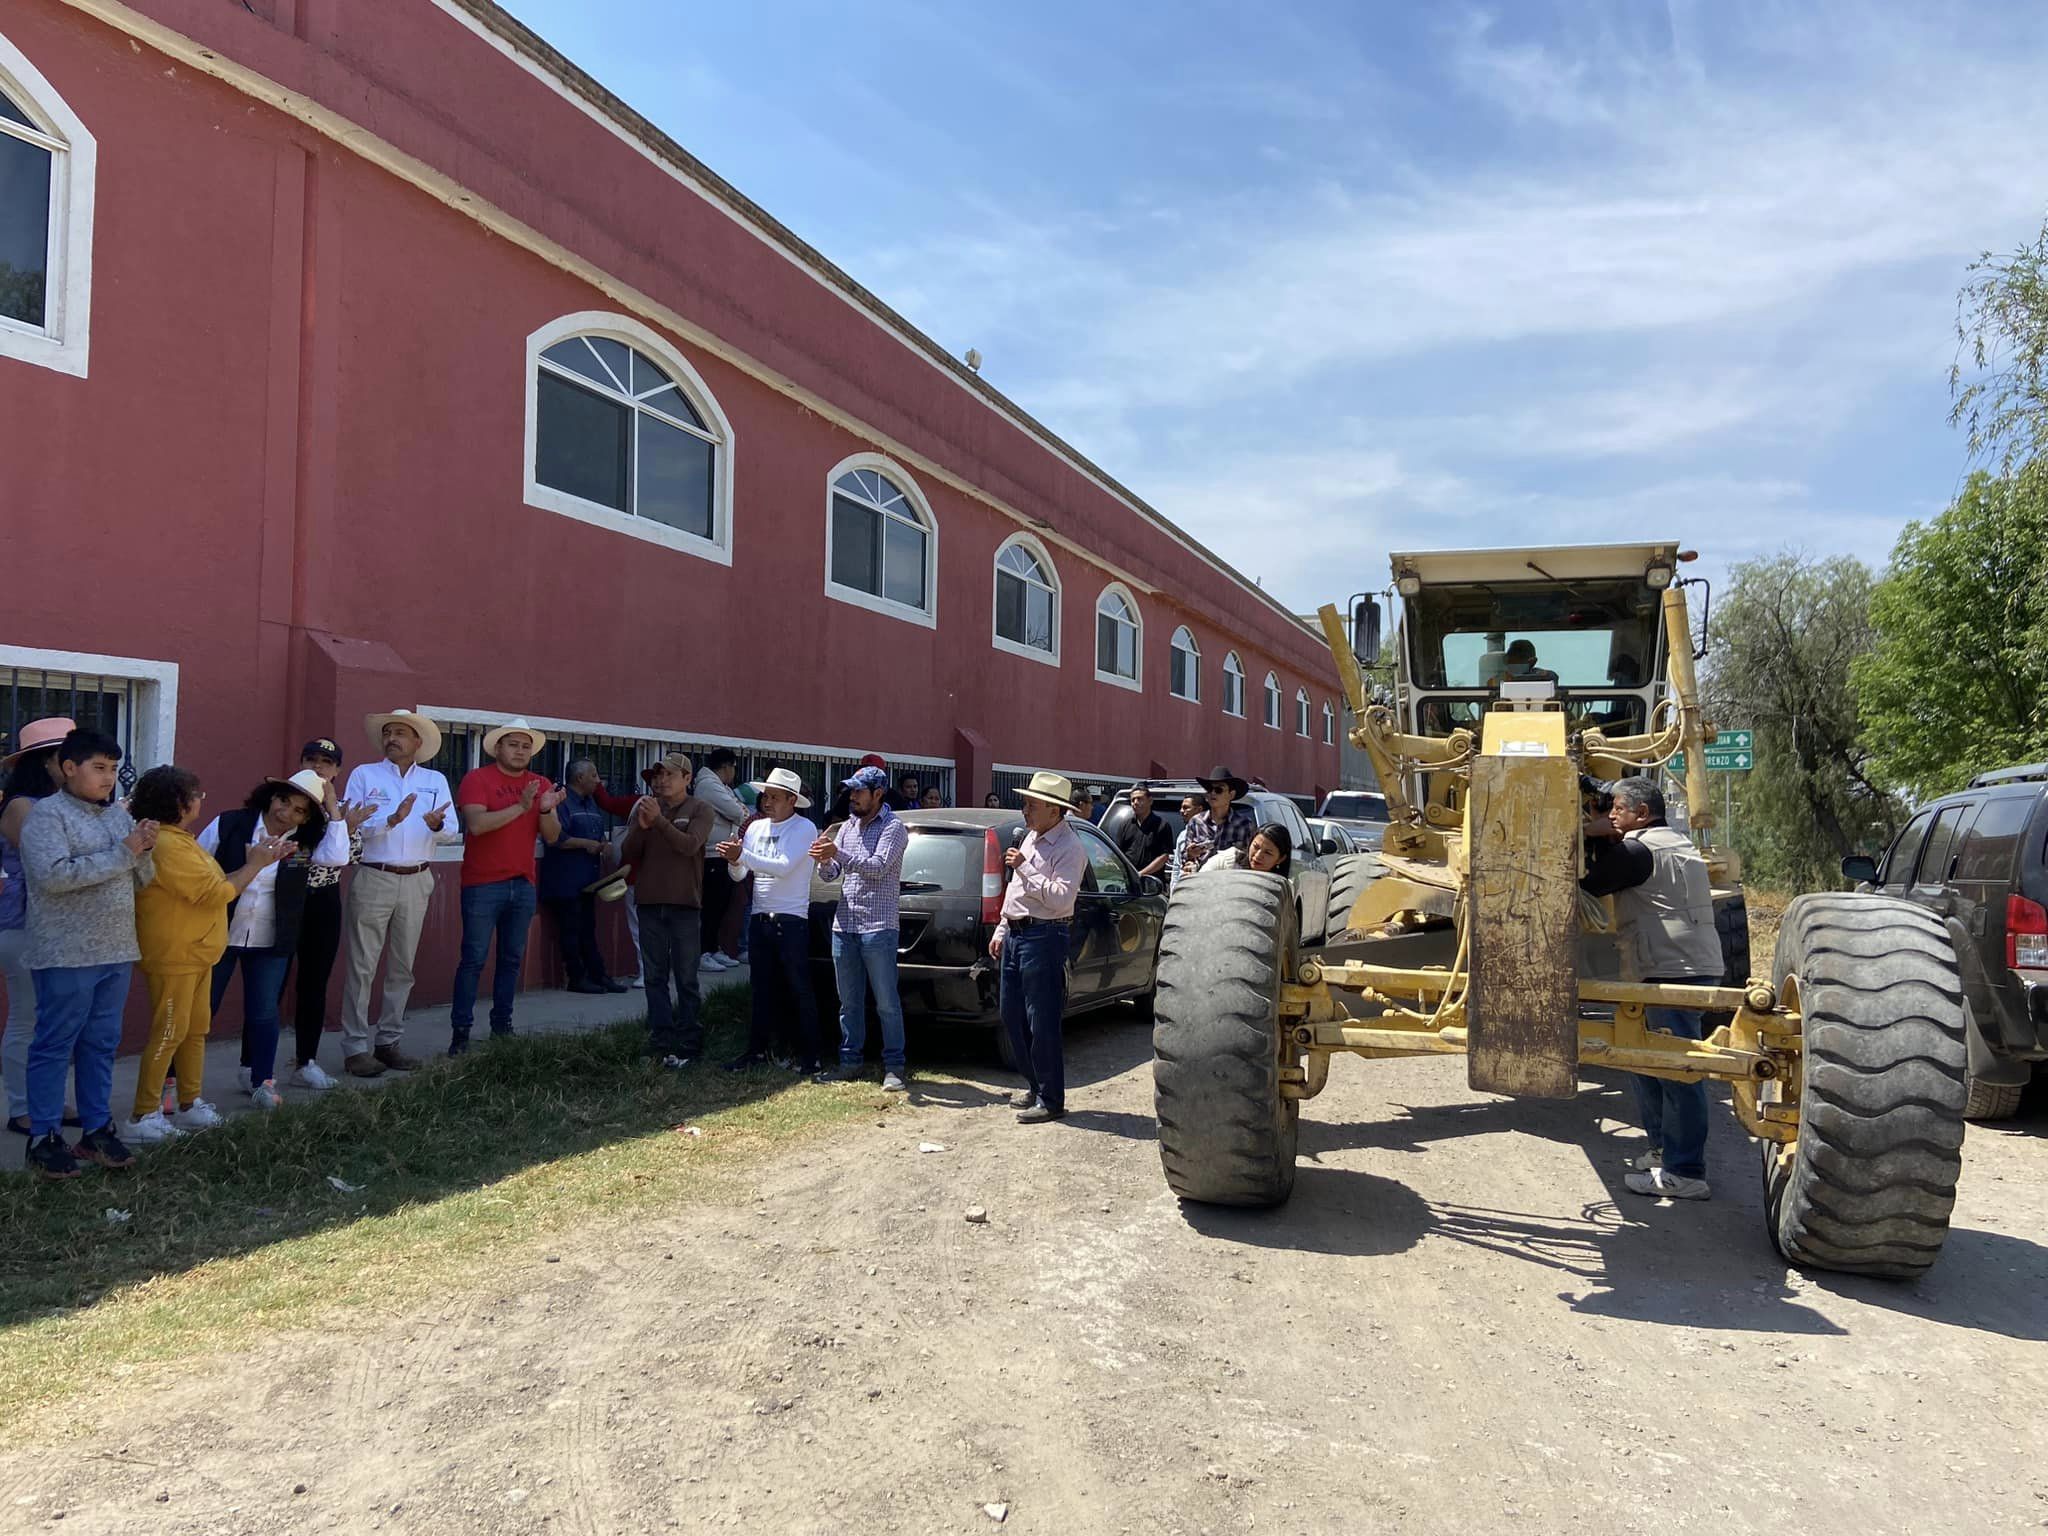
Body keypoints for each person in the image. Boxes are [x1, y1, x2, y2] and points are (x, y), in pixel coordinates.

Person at [125, 766, 294, 1141]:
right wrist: (256, 864)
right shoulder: (166, 846)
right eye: (196, 794)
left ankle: (189, 1103)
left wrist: (255, 862)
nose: (202, 800)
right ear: (179, 802)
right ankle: (143, 1115)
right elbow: (216, 892)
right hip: (174, 952)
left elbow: (215, 883)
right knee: (169, 1031)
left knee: (194, 1029)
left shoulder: (180, 840)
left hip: (199, 950)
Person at [17, 728, 157, 1179]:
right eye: (99, 768)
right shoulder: (45, 817)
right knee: (55, 1044)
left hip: (116, 949)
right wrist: (125, 852)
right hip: (65, 951)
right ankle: (44, 1137)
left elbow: (140, 878)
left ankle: (96, 1130)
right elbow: (53, 877)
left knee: (100, 1044)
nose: (108, 778)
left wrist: (144, 848)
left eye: (114, 769)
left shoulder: (117, 818)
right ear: (68, 767)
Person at [1580, 775, 1726, 1202]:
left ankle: (1685, 1172)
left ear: (1642, 814)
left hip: (1670, 972)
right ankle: (1665, 1150)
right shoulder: (1671, 843)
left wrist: (1587, 830)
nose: (1611, 816)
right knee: (1646, 1063)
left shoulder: (1638, 850)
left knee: (1675, 1070)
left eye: (1617, 810)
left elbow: (1590, 886)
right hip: (1675, 968)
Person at [204, 768, 354, 1109]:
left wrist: (333, 809)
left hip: (270, 938)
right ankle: (175, 1087)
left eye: (299, 810)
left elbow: (338, 857)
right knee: (200, 1011)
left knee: (263, 1012)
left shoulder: (302, 843)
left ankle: (262, 1082)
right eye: (283, 800)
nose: (285, 813)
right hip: (217, 933)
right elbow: (199, 865)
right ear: (269, 797)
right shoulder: (229, 824)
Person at [339, 709, 459, 1078]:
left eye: (401, 733)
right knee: (362, 965)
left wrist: (436, 825)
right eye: (388, 732)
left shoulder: (435, 779)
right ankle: (356, 1047)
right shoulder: (364, 775)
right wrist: (390, 820)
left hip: (418, 878)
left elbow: (451, 830)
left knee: (402, 966)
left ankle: (388, 1041)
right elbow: (350, 826)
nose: (392, 738)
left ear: (417, 743)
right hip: (375, 876)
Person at [451, 718, 565, 1053]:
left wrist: (544, 809)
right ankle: (461, 1033)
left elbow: (553, 835)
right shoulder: (477, 779)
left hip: (523, 883)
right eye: (513, 744)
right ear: (497, 748)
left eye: (525, 746)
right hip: (483, 884)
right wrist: (521, 807)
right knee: (473, 958)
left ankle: (502, 1026)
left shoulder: (540, 782)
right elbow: (476, 825)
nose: (520, 751)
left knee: (511, 960)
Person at [989, 770, 1088, 1124]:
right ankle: (1035, 1086)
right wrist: (1002, 927)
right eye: (1026, 803)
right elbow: (1015, 891)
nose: (1025, 810)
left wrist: (1027, 869)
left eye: (1032, 804)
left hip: (1045, 936)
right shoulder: (1031, 837)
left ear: (1054, 810)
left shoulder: (1070, 848)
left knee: (1041, 1019)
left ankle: (1051, 1098)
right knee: (1011, 1015)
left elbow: (1062, 899)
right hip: (1018, 934)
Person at [810, 765, 910, 1091]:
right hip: (845, 924)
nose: (852, 797)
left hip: (879, 926)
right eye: (850, 791)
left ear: (877, 794)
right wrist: (824, 858)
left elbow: (877, 868)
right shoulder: (847, 828)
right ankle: (849, 1060)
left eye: (858, 791)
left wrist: (836, 851)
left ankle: (894, 1065)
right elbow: (831, 874)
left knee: (885, 1001)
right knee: (848, 1000)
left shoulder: (894, 828)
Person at [282, 738, 372, 1090]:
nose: (318, 767)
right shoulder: (283, 803)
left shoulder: (344, 808)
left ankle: (306, 1061)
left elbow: (351, 856)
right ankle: (252, 1065)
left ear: (337, 771)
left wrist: (343, 825)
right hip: (285, 899)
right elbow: (297, 854)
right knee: (271, 983)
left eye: (326, 762)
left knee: (314, 983)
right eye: (311, 759)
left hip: (324, 900)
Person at [717, 767, 821, 1074]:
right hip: (761, 916)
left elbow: (784, 866)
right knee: (761, 987)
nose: (768, 802)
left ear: (792, 800)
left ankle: (810, 1056)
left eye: (775, 797)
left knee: (798, 987)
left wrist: (742, 856)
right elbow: (740, 874)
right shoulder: (756, 828)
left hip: (790, 918)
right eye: (766, 796)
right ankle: (757, 1051)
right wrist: (735, 860)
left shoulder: (804, 828)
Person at [1, 717, 71, 1137]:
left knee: (55, 1023)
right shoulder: (20, 806)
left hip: (54, 928)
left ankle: (46, 1102)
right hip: (23, 925)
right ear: (47, 762)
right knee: (27, 1020)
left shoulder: (57, 805)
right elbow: (50, 857)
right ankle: (22, 1107)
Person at [623, 752, 713, 1068]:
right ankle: (660, 1039)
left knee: (686, 976)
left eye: (669, 775)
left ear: (687, 779)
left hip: (684, 903)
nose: (661, 782)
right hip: (649, 902)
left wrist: (659, 822)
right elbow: (628, 852)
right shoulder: (648, 809)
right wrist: (643, 826)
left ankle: (690, 1043)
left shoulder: (700, 809)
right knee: (654, 976)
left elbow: (690, 846)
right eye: (657, 776)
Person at [542, 759, 628, 995]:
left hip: (590, 880)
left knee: (588, 930)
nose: (599, 781)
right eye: (594, 775)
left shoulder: (591, 803)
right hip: (565, 879)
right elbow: (556, 838)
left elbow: (598, 834)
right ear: (579, 778)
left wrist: (602, 844)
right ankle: (577, 978)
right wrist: (587, 844)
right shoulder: (561, 801)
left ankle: (599, 976)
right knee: (571, 931)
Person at [692, 749, 751, 973]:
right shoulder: (708, 784)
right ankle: (702, 952)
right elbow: (738, 812)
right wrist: (737, 812)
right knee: (712, 907)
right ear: (727, 766)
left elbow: (740, 811)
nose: (734, 773)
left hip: (724, 855)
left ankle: (714, 948)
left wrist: (738, 812)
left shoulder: (720, 786)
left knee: (721, 906)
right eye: (734, 768)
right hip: (711, 855)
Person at [1170, 766, 1258, 893]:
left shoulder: (1245, 825)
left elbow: (1250, 862)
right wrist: (1190, 856)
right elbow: (1186, 860)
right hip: (1200, 888)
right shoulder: (1195, 822)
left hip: (1231, 889)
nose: (1212, 793)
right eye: (1209, 789)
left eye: (1218, 790)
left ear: (1231, 795)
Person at [1113, 783, 1175, 880]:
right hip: (1128, 881)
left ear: (1150, 801)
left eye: (1139, 799)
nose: (1135, 802)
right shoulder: (1125, 825)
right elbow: (1118, 853)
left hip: (1151, 882)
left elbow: (1163, 857)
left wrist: (1140, 874)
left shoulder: (1161, 825)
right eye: (1132, 800)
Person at [1194, 821, 1293, 877]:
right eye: (1256, 847)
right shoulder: (1226, 861)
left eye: (1268, 853)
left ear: (1280, 859)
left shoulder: (1280, 888)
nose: (1258, 855)